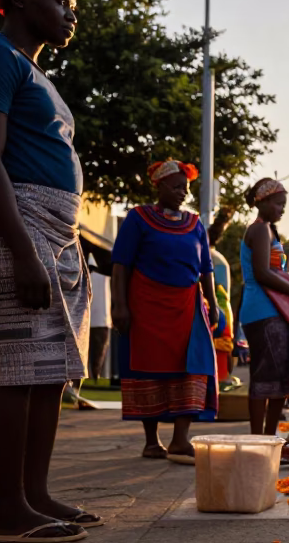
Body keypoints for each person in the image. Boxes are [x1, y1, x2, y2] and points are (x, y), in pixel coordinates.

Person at [0, 0, 94, 543]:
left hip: (49, 229)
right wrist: (22, 251)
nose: (70, 13)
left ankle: (34, 494)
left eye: (73, 3)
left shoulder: (34, 72)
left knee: (47, 372)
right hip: (10, 222)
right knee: (17, 368)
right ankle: (9, 509)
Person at [110, 159, 219, 463]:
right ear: (159, 186)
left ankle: (180, 440)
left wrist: (214, 303)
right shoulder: (138, 218)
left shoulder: (195, 224)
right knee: (148, 368)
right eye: (176, 186)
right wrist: (119, 305)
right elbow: (121, 264)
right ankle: (151, 441)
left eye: (185, 187)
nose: (182, 192)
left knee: (189, 367)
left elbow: (206, 269)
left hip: (186, 307)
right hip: (146, 305)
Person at [239, 178, 289, 434]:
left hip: (274, 311)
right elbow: (262, 272)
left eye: (284, 205)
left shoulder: (270, 230)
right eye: (278, 204)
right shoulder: (260, 229)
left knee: (280, 379)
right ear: (261, 202)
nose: (282, 209)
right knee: (265, 376)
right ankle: (258, 438)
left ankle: (270, 437)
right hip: (264, 310)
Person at [208, 221, 236, 387]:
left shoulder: (211, 257)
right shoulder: (219, 258)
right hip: (223, 306)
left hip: (215, 306)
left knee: (219, 346)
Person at [87, 254, 110, 380]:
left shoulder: (105, 252)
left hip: (101, 313)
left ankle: (95, 376)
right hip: (83, 310)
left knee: (99, 346)